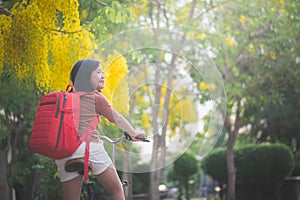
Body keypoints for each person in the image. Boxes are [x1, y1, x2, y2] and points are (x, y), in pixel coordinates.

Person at [55, 58, 146, 200]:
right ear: (86, 77)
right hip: (88, 148)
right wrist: (134, 133)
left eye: (102, 72)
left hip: (64, 152)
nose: (102, 75)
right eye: (98, 72)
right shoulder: (96, 97)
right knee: (116, 190)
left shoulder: (67, 96)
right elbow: (117, 119)